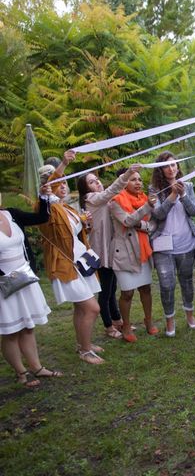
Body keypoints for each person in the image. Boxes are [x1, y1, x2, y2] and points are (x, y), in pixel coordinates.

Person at [39, 152, 104, 364]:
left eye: (65, 182)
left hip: (79, 259)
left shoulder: (64, 206)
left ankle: (83, 344)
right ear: (48, 185)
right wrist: (65, 162)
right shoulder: (45, 205)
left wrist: (84, 222)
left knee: (81, 307)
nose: (64, 185)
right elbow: (51, 183)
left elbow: (74, 232)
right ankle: (86, 351)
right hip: (65, 263)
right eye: (59, 182)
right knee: (93, 308)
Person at [1, 186, 63, 386]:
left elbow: (41, 218)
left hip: (24, 277)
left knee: (28, 327)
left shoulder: (11, 214)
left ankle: (37, 367)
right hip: (4, 284)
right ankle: (21, 372)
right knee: (11, 331)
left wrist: (44, 197)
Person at [78, 163, 143, 339]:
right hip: (101, 250)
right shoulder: (91, 198)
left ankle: (117, 320)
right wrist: (128, 172)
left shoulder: (102, 199)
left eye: (97, 180)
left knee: (112, 287)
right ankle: (108, 326)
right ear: (85, 188)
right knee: (106, 291)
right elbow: (111, 191)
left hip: (111, 247)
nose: (97, 183)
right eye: (92, 182)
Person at [149, 152, 195, 337]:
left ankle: (190, 315)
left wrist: (183, 194)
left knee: (186, 280)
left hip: (186, 242)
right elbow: (158, 214)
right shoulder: (154, 190)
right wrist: (172, 196)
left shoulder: (188, 185)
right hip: (162, 245)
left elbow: (194, 211)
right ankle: (170, 321)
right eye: (167, 166)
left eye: (174, 165)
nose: (171, 169)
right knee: (166, 284)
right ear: (160, 170)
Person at [109, 169, 158, 343]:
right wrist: (147, 209)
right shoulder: (115, 201)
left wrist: (143, 225)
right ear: (123, 182)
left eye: (139, 180)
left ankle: (148, 320)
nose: (138, 182)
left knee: (146, 288)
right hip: (125, 253)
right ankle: (127, 325)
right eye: (132, 179)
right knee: (127, 292)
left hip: (143, 250)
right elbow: (128, 221)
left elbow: (152, 224)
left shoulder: (145, 199)